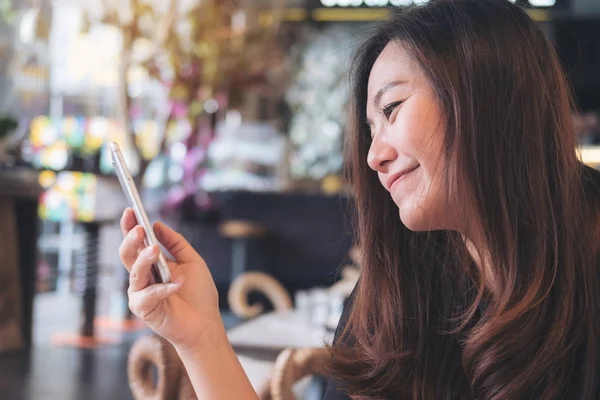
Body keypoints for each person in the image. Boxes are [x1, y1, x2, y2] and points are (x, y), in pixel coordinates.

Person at [118, 0, 600, 398]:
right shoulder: (397, 288)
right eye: (370, 130)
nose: (374, 157)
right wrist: (200, 334)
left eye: (392, 109)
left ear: (484, 92)